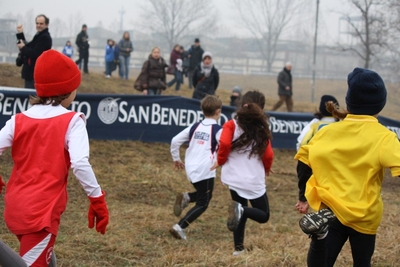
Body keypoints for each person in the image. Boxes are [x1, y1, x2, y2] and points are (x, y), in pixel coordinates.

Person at [0, 50, 109, 267]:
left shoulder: (18, 119)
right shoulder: (72, 121)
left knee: (43, 258)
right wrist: (97, 199)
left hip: (16, 207)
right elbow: (79, 163)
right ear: (67, 91)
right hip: (40, 214)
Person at [296, 67, 400, 266]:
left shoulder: (327, 132)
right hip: (364, 214)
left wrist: (302, 195)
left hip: (331, 210)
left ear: (349, 101)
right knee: (362, 262)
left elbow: (303, 162)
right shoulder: (384, 137)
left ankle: (319, 239)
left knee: (324, 260)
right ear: (380, 104)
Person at [211, 90, 274, 256]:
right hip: (252, 179)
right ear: (261, 108)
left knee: (239, 208)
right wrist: (267, 167)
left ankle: (238, 249)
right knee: (263, 215)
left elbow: (223, 143)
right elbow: (268, 154)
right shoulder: (262, 128)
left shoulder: (232, 124)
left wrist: (221, 161)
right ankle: (242, 214)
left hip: (233, 177)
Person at [169, 95, 223, 240]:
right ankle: (180, 227)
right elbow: (226, 147)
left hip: (190, 169)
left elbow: (175, 140)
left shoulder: (195, 126)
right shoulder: (218, 129)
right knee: (203, 202)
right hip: (206, 169)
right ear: (218, 111)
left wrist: (176, 159)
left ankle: (187, 197)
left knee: (203, 194)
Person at [295, 95, 339, 267]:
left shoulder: (314, 125)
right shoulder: (341, 124)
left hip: (317, 175)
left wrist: (302, 196)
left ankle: (322, 234)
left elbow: (301, 144)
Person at [15, 14, 52, 89]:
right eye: (37, 23)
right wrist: (20, 34)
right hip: (31, 74)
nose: (38, 25)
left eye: (41, 23)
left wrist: (23, 47)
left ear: (46, 25)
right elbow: (29, 46)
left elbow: (34, 53)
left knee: (31, 98)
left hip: (35, 74)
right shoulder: (39, 36)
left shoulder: (44, 38)